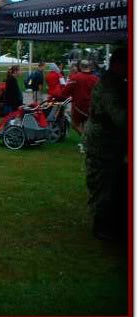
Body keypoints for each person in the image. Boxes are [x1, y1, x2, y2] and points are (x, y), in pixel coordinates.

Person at [84, 47, 128, 241]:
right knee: (102, 183)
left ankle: (110, 221)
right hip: (102, 142)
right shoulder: (110, 86)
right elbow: (121, 118)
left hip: (109, 141)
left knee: (112, 181)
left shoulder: (116, 82)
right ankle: (102, 225)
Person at [62, 59, 100, 142]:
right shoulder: (96, 79)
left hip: (78, 107)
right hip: (92, 106)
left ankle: (86, 140)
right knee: (87, 124)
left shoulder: (75, 78)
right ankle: (87, 141)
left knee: (75, 124)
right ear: (89, 67)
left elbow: (65, 92)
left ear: (80, 67)